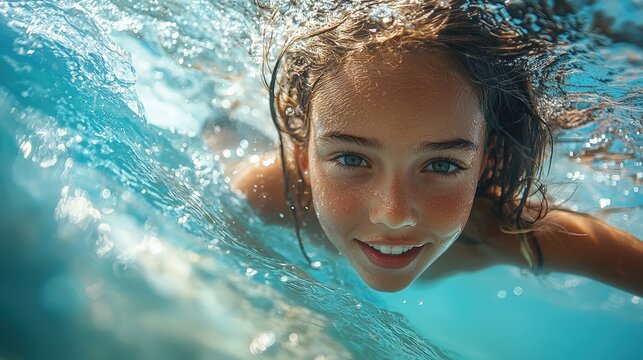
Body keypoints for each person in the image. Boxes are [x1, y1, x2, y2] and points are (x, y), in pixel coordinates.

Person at [214, 0, 643, 294]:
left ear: (487, 159)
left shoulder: (501, 231)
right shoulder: (264, 195)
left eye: (440, 165)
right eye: (350, 158)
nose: (394, 214)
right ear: (302, 154)